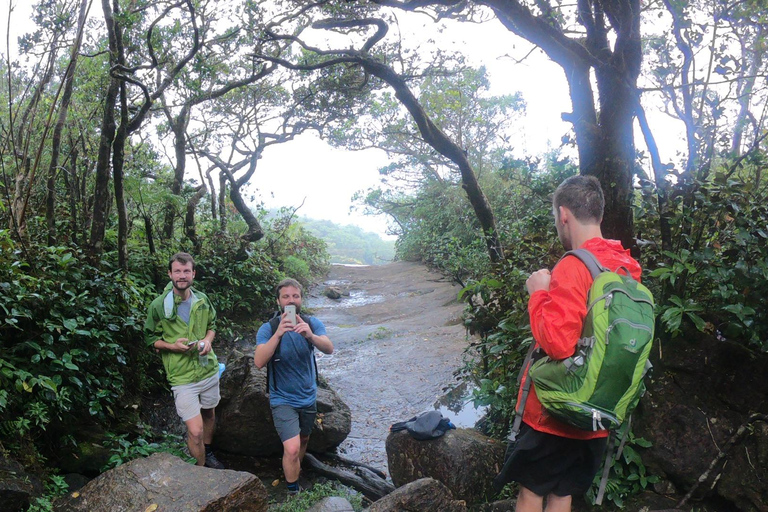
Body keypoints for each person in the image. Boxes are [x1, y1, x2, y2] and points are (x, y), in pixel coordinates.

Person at [496, 175, 643, 512]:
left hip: (557, 410)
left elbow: (558, 344)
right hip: (599, 410)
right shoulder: (627, 267)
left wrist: (539, 293)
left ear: (563, 214)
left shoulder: (574, 265)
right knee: (563, 494)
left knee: (532, 492)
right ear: (599, 215)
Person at [144, 252, 225, 469]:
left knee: (209, 413)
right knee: (195, 430)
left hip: (207, 369)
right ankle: (199, 472)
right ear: (170, 274)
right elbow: (150, 338)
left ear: (193, 274)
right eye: (177, 271)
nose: (182, 276)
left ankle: (208, 452)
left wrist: (208, 341)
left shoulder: (202, 300)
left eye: (186, 271)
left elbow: (213, 325)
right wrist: (171, 346)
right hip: (181, 376)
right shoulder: (159, 306)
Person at [254, 278, 334, 494]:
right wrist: (279, 333)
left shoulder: (312, 323)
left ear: (301, 298)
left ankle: (294, 471)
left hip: (307, 395)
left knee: (304, 439)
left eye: (295, 296)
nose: (291, 300)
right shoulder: (268, 328)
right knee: (291, 448)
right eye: (286, 296)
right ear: (279, 301)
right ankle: (293, 492)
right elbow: (259, 361)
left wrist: (310, 335)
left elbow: (329, 348)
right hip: (282, 399)